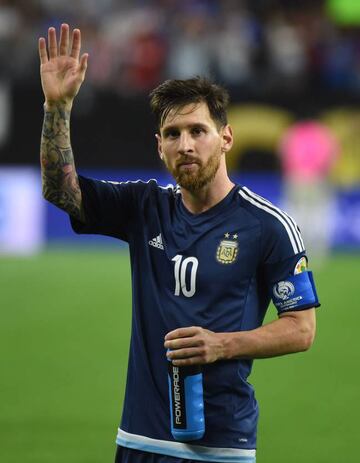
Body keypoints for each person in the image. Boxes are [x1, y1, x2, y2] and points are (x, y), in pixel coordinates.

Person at [39, 24, 320, 463]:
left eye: (197, 131)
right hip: (140, 440)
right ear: (159, 147)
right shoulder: (143, 206)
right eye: (172, 134)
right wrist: (57, 106)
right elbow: (61, 190)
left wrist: (223, 344)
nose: (185, 145)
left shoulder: (268, 225)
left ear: (226, 138)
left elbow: (301, 330)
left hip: (221, 445)